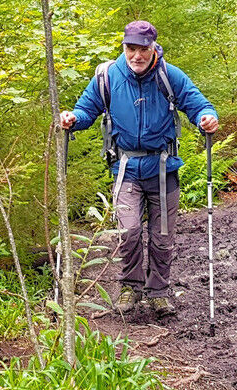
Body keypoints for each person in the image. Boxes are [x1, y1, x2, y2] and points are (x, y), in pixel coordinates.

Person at [59, 20, 219, 317]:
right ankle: (131, 287)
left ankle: (158, 291)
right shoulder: (108, 77)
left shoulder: (170, 76)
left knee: (162, 235)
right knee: (129, 232)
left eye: (142, 49)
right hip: (126, 167)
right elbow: (86, 109)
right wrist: (72, 119)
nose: (136, 56)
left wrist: (207, 118)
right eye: (131, 49)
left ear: (153, 48)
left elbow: (199, 105)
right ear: (124, 47)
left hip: (163, 167)